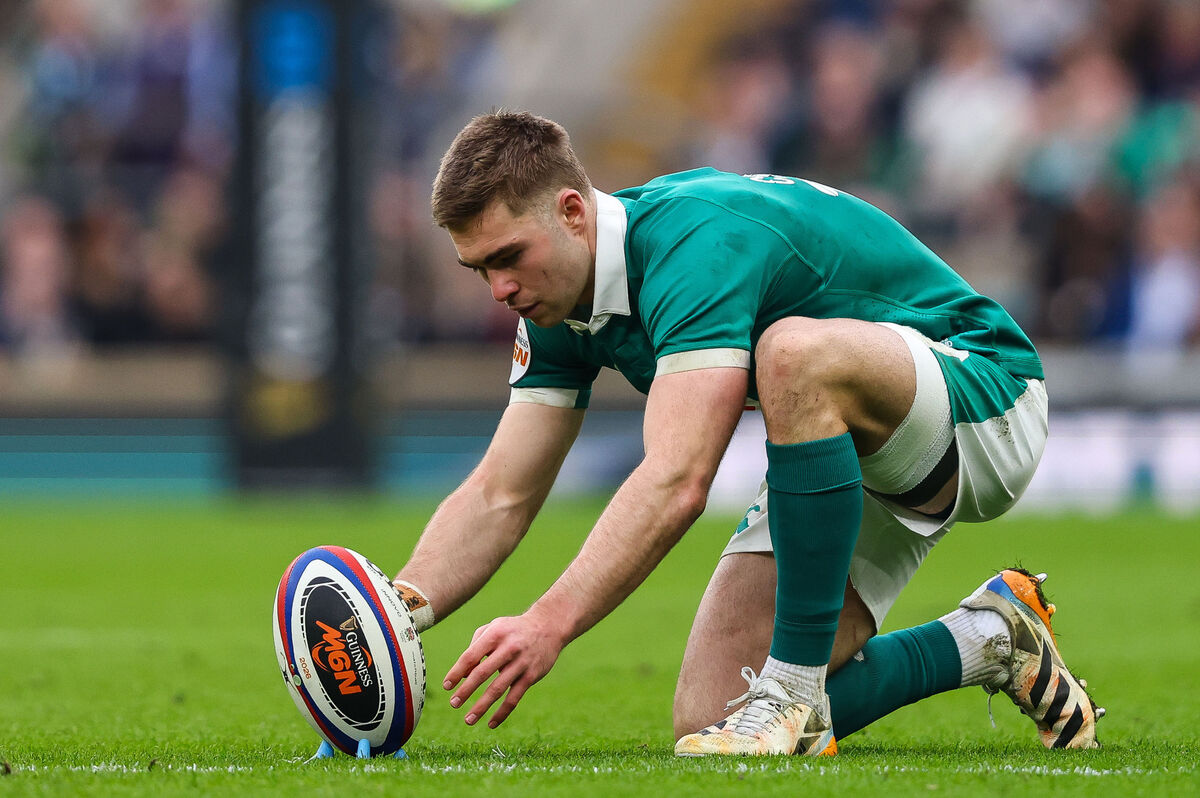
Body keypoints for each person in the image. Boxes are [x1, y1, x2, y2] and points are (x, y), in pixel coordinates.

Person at [390, 110, 1104, 756]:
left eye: (508, 256)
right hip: (847, 446)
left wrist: (549, 622)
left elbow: (678, 479)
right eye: (479, 268)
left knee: (791, 352)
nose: (499, 290)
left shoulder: (692, 246)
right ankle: (989, 638)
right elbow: (500, 493)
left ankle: (791, 690)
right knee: (712, 717)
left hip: (986, 397)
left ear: (572, 213)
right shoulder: (556, 307)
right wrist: (398, 611)